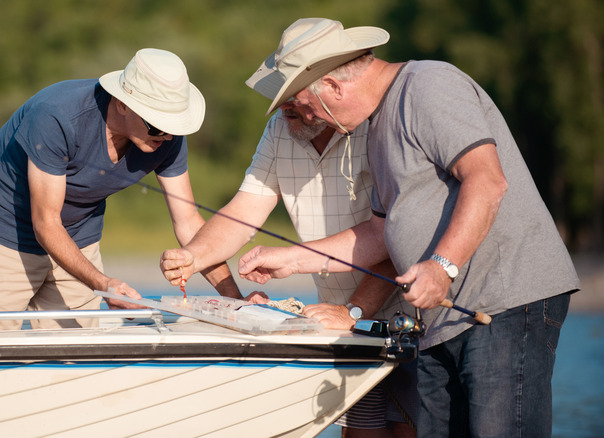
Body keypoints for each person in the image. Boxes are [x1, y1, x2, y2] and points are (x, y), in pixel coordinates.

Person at [235, 18, 580, 437]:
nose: (305, 116)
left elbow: (488, 180)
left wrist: (441, 267)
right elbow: (380, 233)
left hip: (502, 304)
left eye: (304, 104)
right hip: (441, 320)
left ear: (333, 87)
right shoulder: (375, 125)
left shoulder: (428, 85)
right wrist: (291, 259)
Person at [160, 19, 417, 437]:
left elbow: (395, 237)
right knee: (361, 431)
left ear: (326, 86)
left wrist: (354, 311)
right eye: (280, 96)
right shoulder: (280, 129)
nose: (283, 107)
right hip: (335, 321)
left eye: (291, 96)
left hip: (403, 314)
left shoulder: (376, 126)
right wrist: (194, 255)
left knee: (411, 429)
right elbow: (244, 209)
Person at [0, 48, 239, 332]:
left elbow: (188, 220)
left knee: (75, 359)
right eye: (158, 124)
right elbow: (46, 223)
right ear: (123, 104)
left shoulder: (166, 136)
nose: (169, 134)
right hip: (2, 237)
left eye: (174, 124)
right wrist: (102, 283)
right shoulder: (56, 116)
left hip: (78, 238)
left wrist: (234, 302)